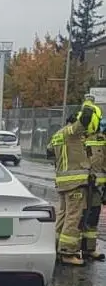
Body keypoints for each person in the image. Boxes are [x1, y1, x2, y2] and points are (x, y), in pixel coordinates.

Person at [48, 102, 98, 265]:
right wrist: (89, 104)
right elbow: (84, 119)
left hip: (62, 182)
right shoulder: (73, 132)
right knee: (73, 216)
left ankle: (56, 247)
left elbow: (49, 152)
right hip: (74, 182)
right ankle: (67, 252)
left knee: (63, 215)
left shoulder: (58, 134)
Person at [82, 121, 106, 260]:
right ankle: (73, 249)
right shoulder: (77, 138)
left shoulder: (101, 139)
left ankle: (90, 248)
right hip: (80, 185)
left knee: (93, 216)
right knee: (78, 217)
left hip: (97, 187)